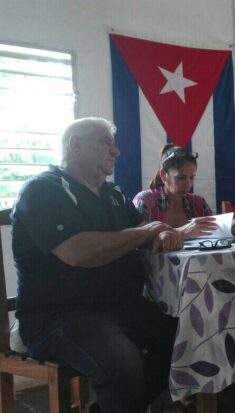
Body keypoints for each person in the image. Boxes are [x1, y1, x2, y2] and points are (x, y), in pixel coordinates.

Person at [11, 118, 185, 413]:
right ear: (75, 145)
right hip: (57, 317)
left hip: (116, 308)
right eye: (106, 142)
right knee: (122, 362)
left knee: (184, 333)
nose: (116, 151)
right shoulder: (41, 190)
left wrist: (164, 231)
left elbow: (143, 228)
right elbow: (77, 252)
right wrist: (149, 230)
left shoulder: (113, 193)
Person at [133, 144, 217, 239]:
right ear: (163, 175)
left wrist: (229, 228)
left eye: (191, 177)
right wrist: (181, 232)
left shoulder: (198, 203)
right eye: (181, 178)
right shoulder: (146, 200)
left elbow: (214, 236)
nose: (188, 183)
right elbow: (134, 241)